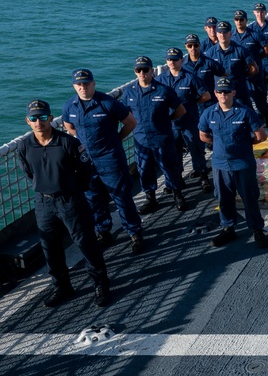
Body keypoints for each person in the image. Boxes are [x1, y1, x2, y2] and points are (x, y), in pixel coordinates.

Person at [17, 100, 112, 308]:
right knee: (50, 247)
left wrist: (72, 189)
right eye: (33, 118)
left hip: (71, 200)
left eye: (43, 117)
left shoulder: (68, 142)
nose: (38, 122)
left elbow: (86, 171)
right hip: (43, 203)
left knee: (86, 243)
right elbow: (29, 173)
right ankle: (61, 286)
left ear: (51, 118)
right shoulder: (24, 146)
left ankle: (100, 283)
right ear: (28, 121)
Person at [62, 68, 144, 254]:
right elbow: (69, 126)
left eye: (86, 83)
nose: (83, 87)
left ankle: (135, 233)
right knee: (94, 199)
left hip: (110, 158)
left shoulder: (108, 103)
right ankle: (103, 232)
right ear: (74, 86)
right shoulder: (70, 106)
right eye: (79, 84)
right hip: (87, 162)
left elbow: (131, 123)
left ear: (93, 84)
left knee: (122, 197)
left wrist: (116, 140)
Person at [198, 76, 268, 249]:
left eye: (227, 91)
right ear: (215, 93)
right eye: (220, 91)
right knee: (223, 198)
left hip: (242, 163)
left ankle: (257, 229)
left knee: (249, 198)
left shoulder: (245, 112)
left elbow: (261, 136)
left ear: (233, 92)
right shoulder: (209, 113)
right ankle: (228, 228)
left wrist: (243, 145)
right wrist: (220, 145)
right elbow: (203, 135)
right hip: (220, 165)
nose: (223, 95)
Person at [122, 56, 188, 214]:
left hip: (162, 137)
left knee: (169, 167)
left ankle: (177, 194)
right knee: (144, 169)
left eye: (145, 69)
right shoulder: (129, 93)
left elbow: (181, 110)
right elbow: (124, 114)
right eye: (139, 70)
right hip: (141, 140)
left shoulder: (164, 90)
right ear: (135, 72)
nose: (142, 72)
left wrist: (167, 121)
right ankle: (150, 198)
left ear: (152, 71)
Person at [161, 46, 213, 193]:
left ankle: (203, 176)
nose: (171, 62)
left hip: (189, 121)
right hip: (171, 124)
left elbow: (206, 95)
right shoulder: (161, 79)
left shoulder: (190, 77)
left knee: (196, 150)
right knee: (174, 152)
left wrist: (191, 103)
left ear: (182, 60)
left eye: (175, 59)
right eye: (169, 59)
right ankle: (177, 177)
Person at [232, 9, 268, 127]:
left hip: (255, 74)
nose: (239, 22)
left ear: (246, 20)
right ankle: (250, 123)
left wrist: (257, 59)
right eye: (236, 19)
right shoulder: (231, 37)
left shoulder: (255, 35)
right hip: (240, 76)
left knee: (260, 100)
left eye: (241, 19)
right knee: (243, 101)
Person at [205, 20, 258, 110]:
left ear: (230, 33)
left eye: (225, 32)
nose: (222, 35)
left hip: (238, 91)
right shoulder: (210, 53)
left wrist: (241, 78)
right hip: (220, 93)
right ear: (217, 34)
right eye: (220, 32)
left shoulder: (241, 50)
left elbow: (254, 68)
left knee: (246, 112)